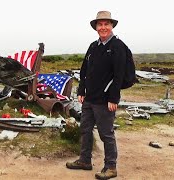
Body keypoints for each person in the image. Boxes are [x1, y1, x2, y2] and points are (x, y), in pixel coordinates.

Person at [66, 11, 127, 179]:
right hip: (89, 98)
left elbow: (119, 74)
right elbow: (85, 69)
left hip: (105, 100)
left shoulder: (117, 46)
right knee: (85, 129)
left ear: (112, 26)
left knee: (106, 133)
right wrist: (81, 90)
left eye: (106, 24)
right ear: (96, 27)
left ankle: (111, 167)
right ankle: (85, 160)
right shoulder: (93, 46)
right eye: (100, 24)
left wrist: (114, 98)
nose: (103, 27)